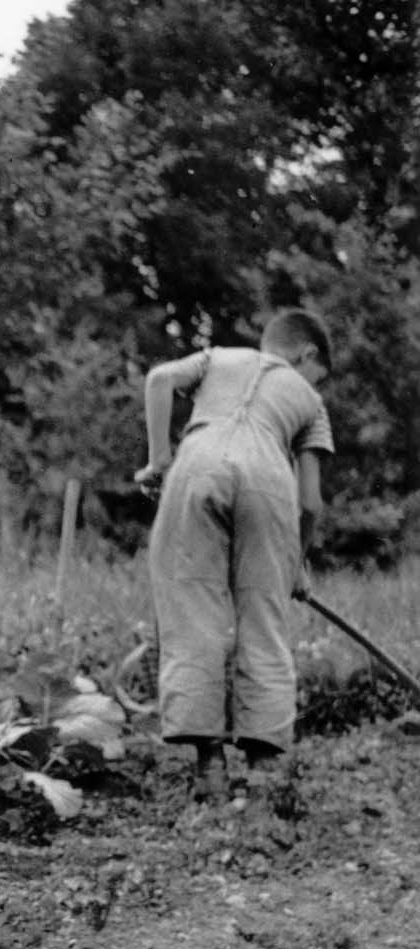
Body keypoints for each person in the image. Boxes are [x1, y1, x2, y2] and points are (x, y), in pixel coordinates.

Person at [134, 309, 334, 801]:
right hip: (269, 480)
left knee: (192, 615)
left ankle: (210, 772)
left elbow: (160, 379)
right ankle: (264, 775)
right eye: (318, 372)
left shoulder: (219, 357)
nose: (314, 380)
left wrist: (158, 459)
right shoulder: (310, 400)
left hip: (197, 462)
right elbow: (310, 502)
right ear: (306, 355)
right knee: (263, 621)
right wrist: (295, 563)